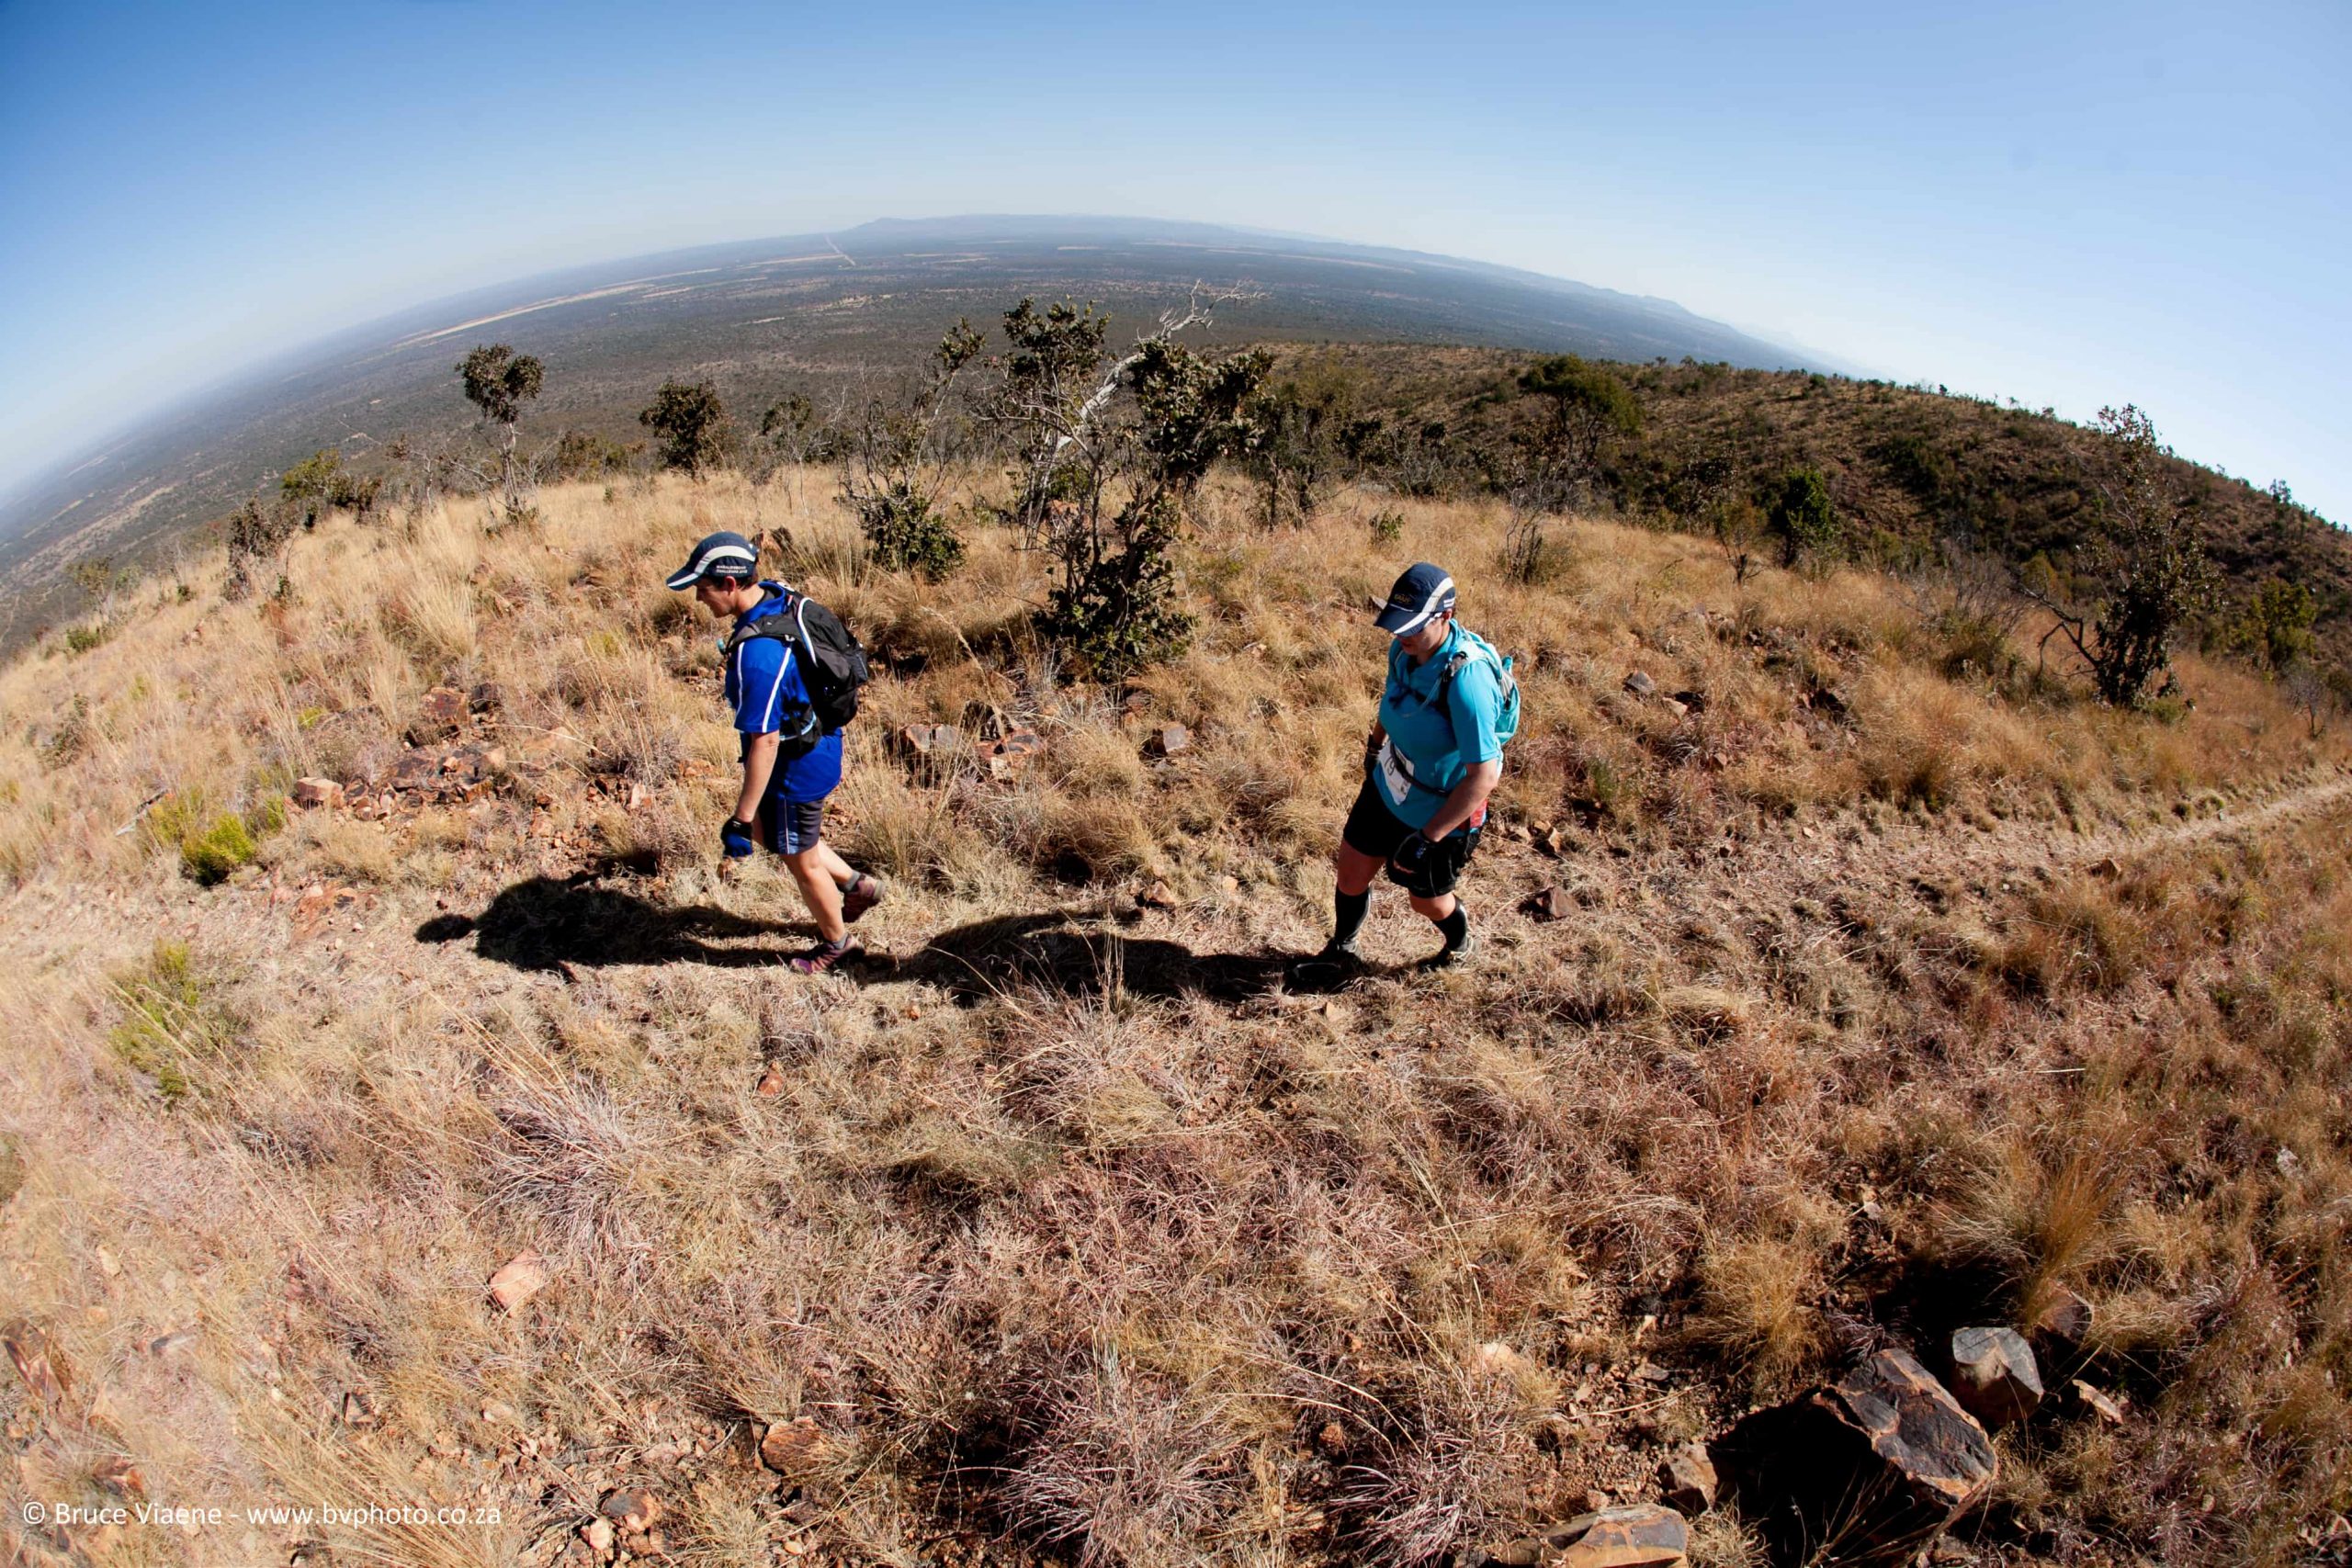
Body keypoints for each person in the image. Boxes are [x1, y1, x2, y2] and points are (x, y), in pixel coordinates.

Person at [665, 530, 882, 974]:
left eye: (702, 590)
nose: (698, 599)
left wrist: (740, 819)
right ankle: (858, 886)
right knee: (782, 836)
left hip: (794, 769)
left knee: (799, 859)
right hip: (818, 746)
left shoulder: (759, 655)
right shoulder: (776, 597)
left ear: (729, 585)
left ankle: (838, 943)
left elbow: (764, 741)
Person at [1293, 562, 1510, 984]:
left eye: (1412, 626)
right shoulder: (1404, 651)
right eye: (1398, 625)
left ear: (1445, 617)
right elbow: (1391, 703)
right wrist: (1375, 747)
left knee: (1425, 901)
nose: (1400, 634)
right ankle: (1342, 949)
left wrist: (1429, 837)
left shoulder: (1468, 684)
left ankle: (1460, 942)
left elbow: (1484, 776)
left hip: (1439, 812)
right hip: (1389, 783)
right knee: (1351, 870)